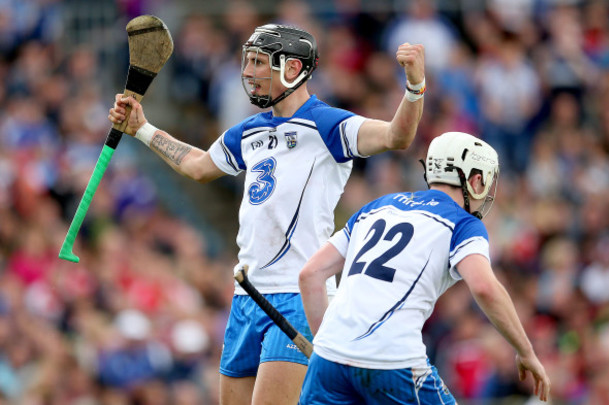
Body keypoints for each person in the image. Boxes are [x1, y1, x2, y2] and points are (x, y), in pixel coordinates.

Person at [108, 24, 425, 405]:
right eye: (248, 62)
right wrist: (141, 128)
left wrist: (414, 86)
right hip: (248, 295)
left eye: (259, 63)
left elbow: (396, 136)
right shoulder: (248, 131)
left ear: (292, 69)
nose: (248, 72)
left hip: (299, 296)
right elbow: (198, 166)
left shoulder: (328, 125)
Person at [298, 131, 551, 404]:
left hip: (328, 358)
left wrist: (329, 346)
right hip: (392, 359)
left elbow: (310, 274)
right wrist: (526, 351)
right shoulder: (463, 223)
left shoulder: (376, 207)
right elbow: (484, 287)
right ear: (475, 180)